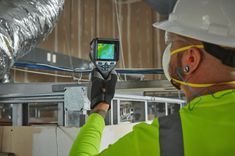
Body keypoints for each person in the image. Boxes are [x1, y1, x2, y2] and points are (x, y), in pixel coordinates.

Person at [69, 0, 235, 155]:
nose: (168, 50)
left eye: (173, 42)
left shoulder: (164, 139)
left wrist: (98, 111)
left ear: (190, 60)